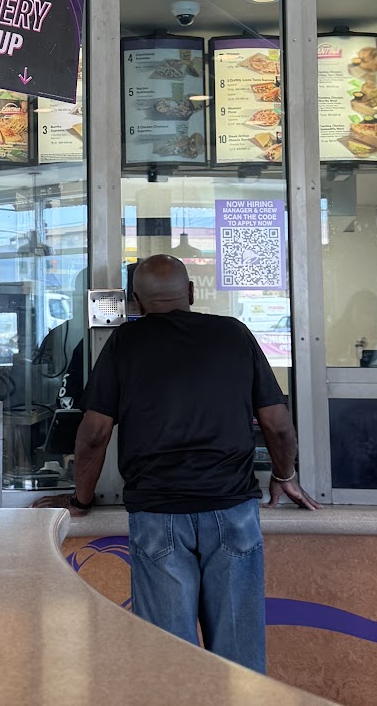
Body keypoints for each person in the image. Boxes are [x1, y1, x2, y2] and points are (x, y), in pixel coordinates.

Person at [39, 255, 319, 671]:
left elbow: (94, 434)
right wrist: (284, 475)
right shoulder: (233, 334)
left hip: (158, 513)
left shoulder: (125, 343)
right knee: (241, 663)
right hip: (232, 508)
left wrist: (80, 499)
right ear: (190, 293)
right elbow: (277, 425)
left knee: (169, 661)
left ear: (136, 302)